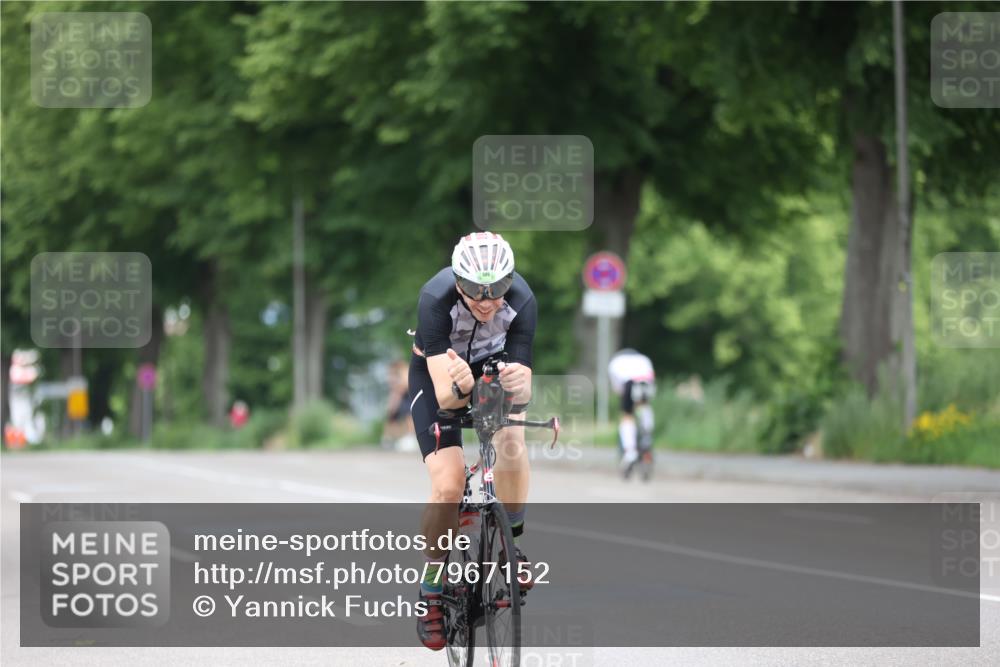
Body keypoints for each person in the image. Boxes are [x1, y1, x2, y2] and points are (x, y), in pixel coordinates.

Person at [408, 231, 536, 651]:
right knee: (448, 485)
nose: (486, 301)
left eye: (497, 290)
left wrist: (523, 382)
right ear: (457, 281)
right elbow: (447, 397)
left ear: (509, 281)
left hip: (490, 375)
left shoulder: (523, 301)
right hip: (439, 378)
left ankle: (511, 546)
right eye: (476, 291)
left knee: (513, 447)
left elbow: (522, 386)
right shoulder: (434, 299)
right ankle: (430, 586)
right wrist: (460, 382)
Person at [608, 348, 656, 473]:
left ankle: (630, 451)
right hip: (646, 381)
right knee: (644, 406)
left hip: (629, 382)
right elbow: (651, 378)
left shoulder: (615, 363)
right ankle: (647, 437)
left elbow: (618, 389)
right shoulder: (644, 359)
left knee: (627, 416)